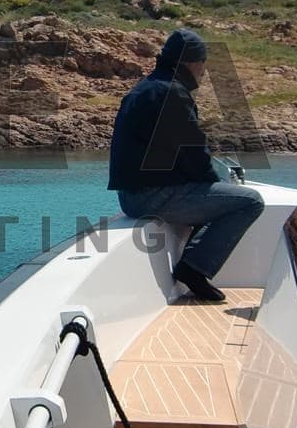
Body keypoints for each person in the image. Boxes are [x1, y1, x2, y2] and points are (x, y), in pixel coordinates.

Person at [108, 29, 265, 303]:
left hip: (131, 196)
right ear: (192, 63)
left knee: (219, 196)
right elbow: (195, 154)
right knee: (250, 201)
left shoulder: (148, 87)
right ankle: (193, 269)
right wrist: (214, 187)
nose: (204, 72)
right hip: (153, 197)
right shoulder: (173, 93)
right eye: (203, 64)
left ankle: (193, 261)